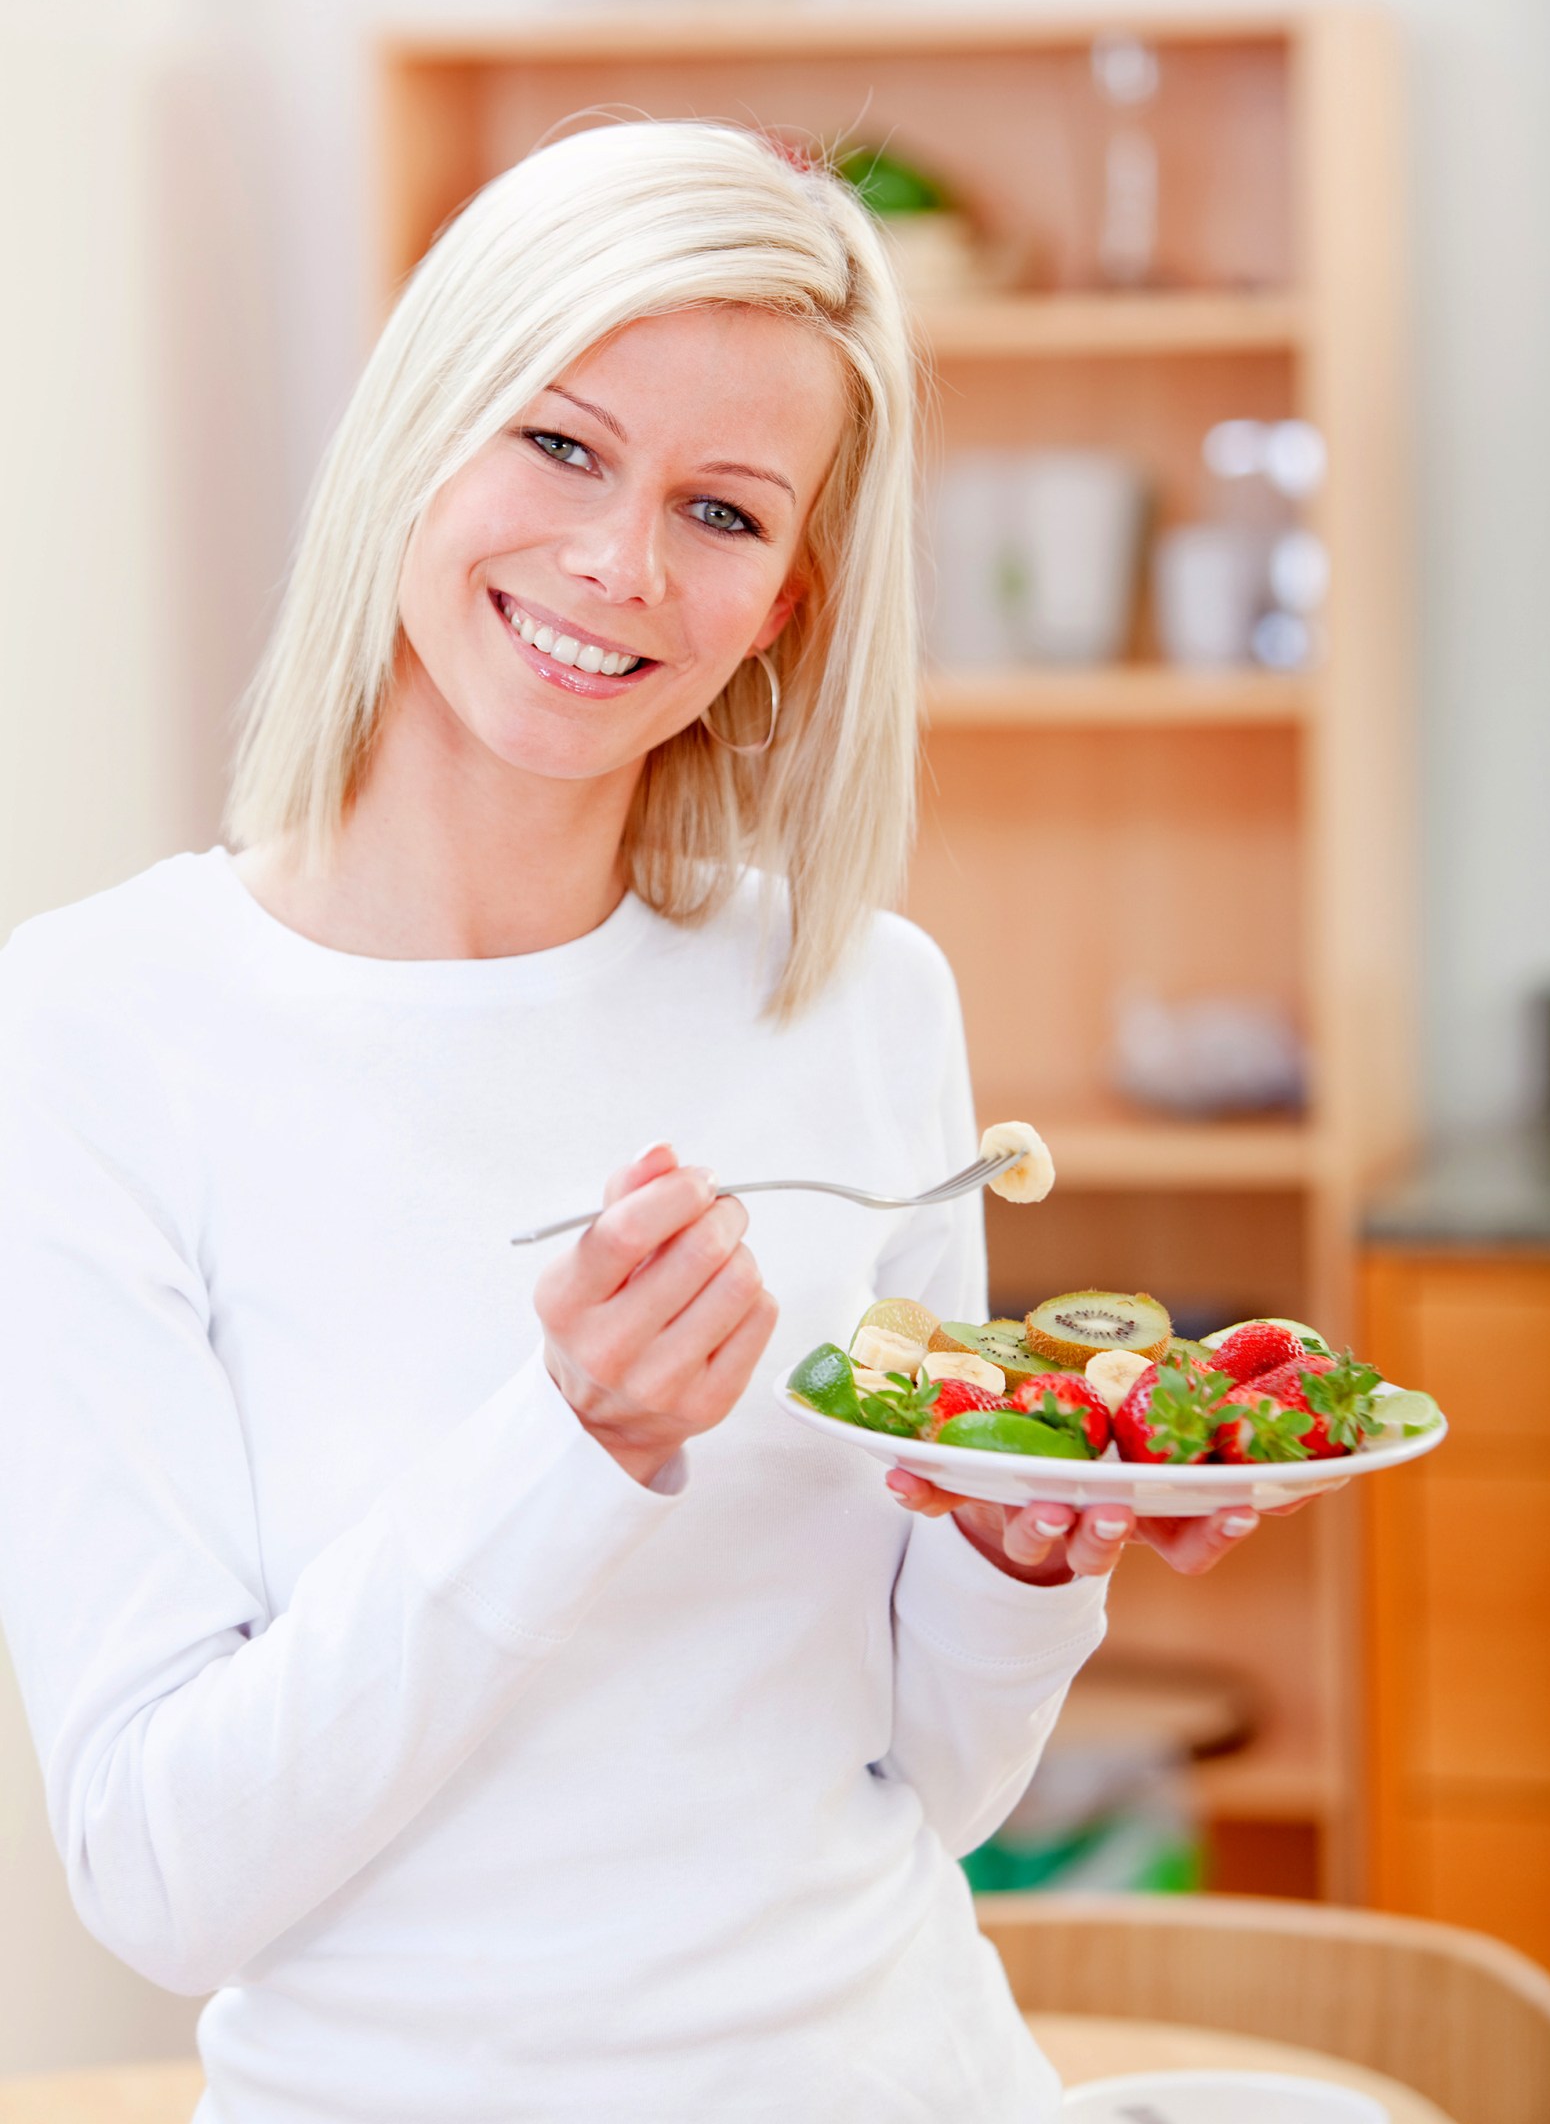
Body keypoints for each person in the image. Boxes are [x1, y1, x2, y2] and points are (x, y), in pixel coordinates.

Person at [0, 122, 1266, 2123]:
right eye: (563, 446)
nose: (620, 567)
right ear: (421, 428)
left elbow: (931, 1789)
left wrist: (1025, 1565)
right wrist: (567, 1452)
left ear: (783, 603)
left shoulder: (861, 1002)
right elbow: (167, 1874)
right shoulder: (96, 1028)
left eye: (724, 511)